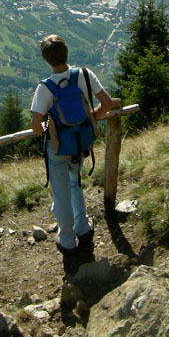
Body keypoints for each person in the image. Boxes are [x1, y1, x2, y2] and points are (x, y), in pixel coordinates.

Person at [30, 34, 114, 253]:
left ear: (46, 59)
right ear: (66, 52)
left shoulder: (45, 88)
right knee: (75, 183)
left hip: (57, 148)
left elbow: (36, 127)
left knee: (61, 193)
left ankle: (67, 240)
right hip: (80, 142)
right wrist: (90, 117)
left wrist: (52, 128)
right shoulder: (85, 74)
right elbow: (107, 103)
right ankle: (83, 228)